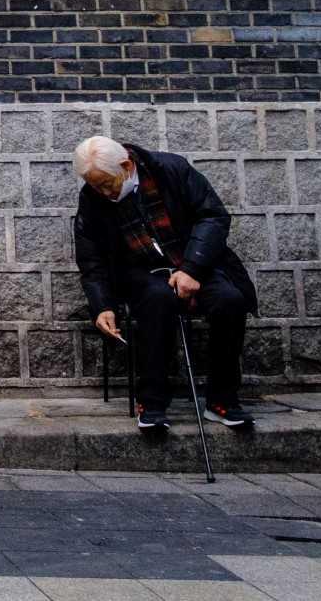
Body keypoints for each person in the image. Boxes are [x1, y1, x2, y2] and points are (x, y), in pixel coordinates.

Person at [71, 135, 259, 433]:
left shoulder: (170, 169)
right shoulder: (92, 197)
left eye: (108, 183)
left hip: (196, 262)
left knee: (230, 301)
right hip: (140, 273)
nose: (104, 192)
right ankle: (153, 403)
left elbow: (213, 216)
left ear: (126, 165)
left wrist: (192, 268)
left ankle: (222, 399)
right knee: (158, 299)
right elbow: (91, 259)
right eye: (96, 185)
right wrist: (102, 306)